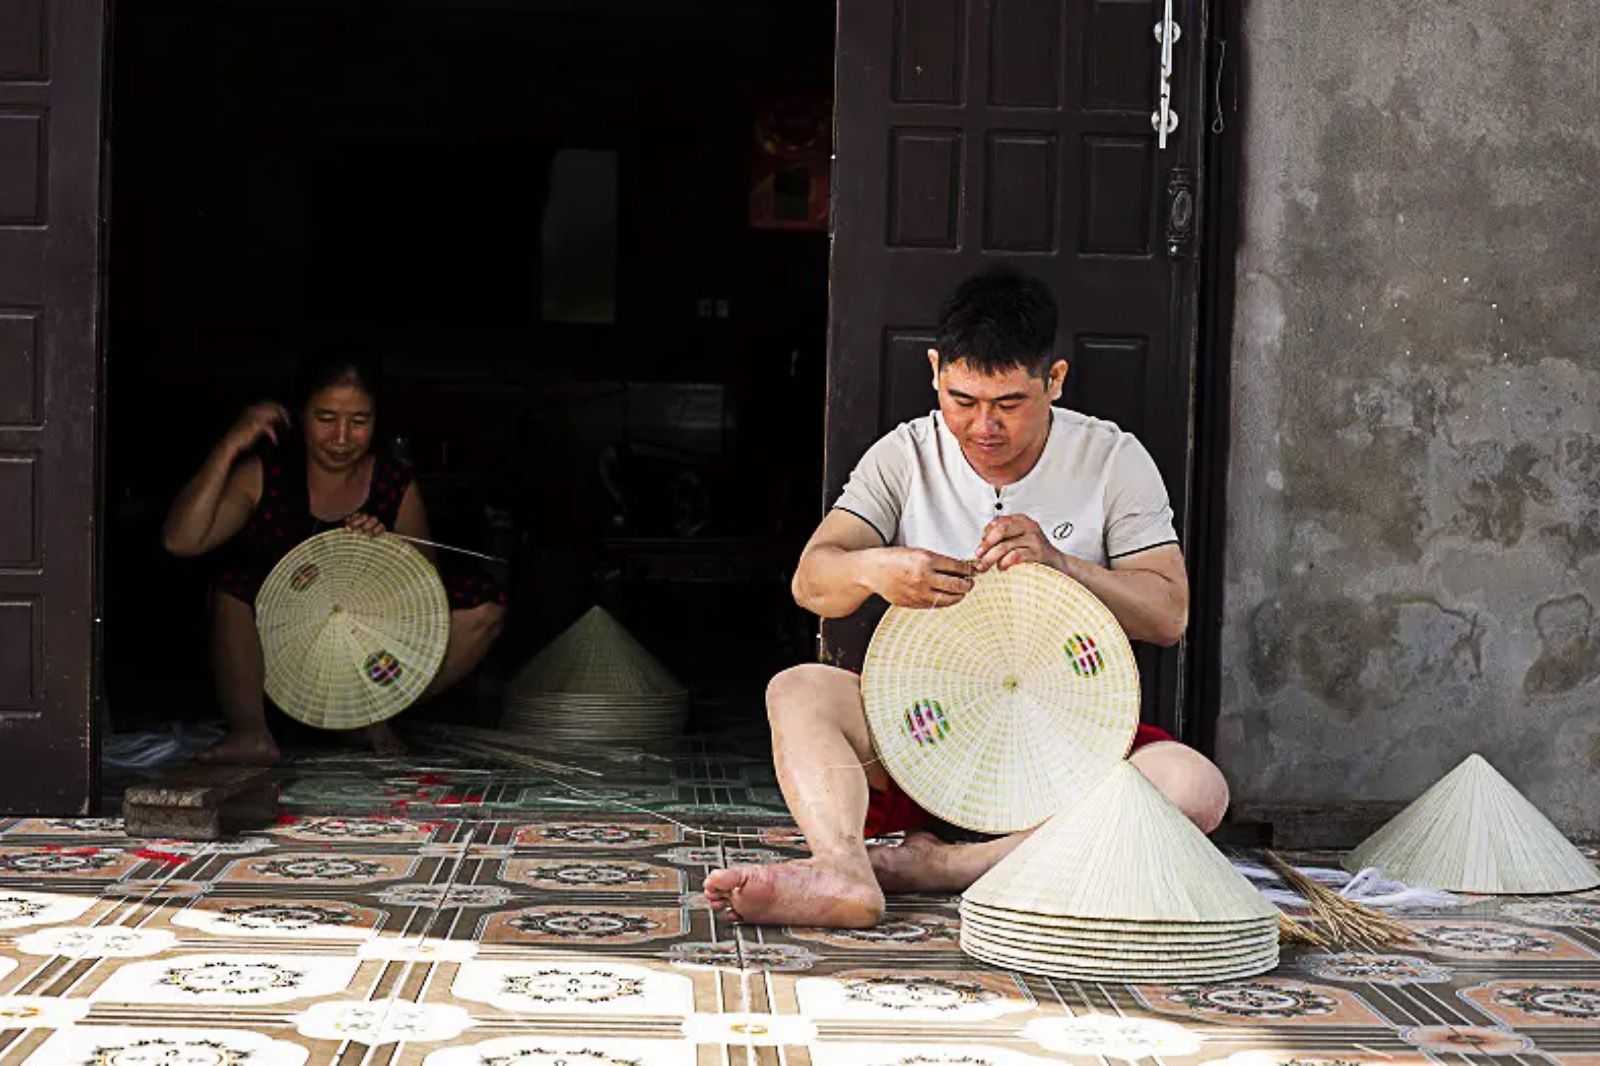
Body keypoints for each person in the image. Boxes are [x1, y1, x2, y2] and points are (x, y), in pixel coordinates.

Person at [704, 267, 1228, 928]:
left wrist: (1062, 563)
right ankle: (842, 870)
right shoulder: (905, 456)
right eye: (962, 399)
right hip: (923, 732)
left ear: (1055, 380)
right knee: (796, 690)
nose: (983, 426)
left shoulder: (1111, 461)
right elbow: (812, 581)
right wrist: (876, 568)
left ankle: (948, 868)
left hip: (1067, 754)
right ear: (934, 371)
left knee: (1196, 789)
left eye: (1009, 404)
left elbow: (1168, 614)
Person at [162, 344, 507, 765]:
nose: (342, 438)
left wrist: (386, 554)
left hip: (362, 669)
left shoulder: (393, 484)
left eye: (358, 421)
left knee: (482, 609)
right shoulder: (265, 475)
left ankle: (367, 717)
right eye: (326, 418)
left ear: (377, 420)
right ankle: (251, 733)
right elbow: (182, 540)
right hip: (278, 678)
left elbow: (426, 601)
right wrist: (232, 443)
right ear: (301, 414)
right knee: (233, 589)